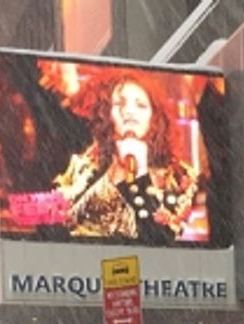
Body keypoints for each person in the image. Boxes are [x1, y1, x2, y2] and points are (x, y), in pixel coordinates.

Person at [54, 74, 200, 244]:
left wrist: (140, 177)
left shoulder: (181, 176)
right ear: (107, 114)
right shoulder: (83, 165)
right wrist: (112, 176)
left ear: (154, 117)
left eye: (140, 105)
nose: (129, 111)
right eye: (119, 104)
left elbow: (160, 239)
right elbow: (66, 226)